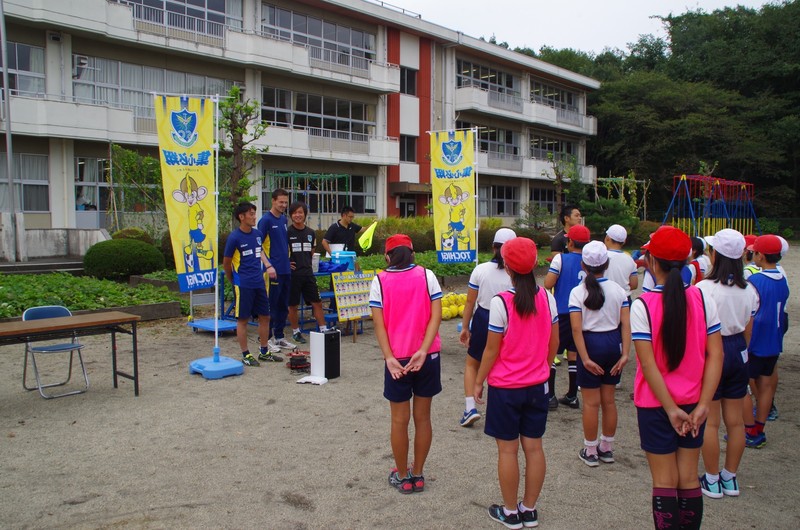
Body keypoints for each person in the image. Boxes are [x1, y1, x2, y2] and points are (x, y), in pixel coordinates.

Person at [630, 226, 723, 530]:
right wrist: (704, 405)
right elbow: (716, 356)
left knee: (664, 480)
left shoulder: (643, 305)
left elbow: (648, 364)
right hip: (694, 401)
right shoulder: (702, 298)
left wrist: (670, 409)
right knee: (687, 477)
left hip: (656, 405)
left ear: (652, 261)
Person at [473, 237, 559, 529]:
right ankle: (529, 509)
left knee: (507, 450)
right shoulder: (548, 297)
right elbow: (554, 341)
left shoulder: (501, 303)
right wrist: (543, 369)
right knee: (534, 448)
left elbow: (491, 350)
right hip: (537, 386)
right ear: (535, 264)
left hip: (505, 388)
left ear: (506, 266)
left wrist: (478, 381)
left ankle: (510, 512)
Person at [369, 234, 443, 494]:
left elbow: (379, 324)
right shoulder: (427, 276)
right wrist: (423, 350)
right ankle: (418, 473)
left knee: (399, 420)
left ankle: (402, 476)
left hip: (397, 359)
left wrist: (388, 357)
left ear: (387, 257)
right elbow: (436, 317)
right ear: (412, 254)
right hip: (428, 357)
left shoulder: (379, 280)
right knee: (423, 418)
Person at [696, 229, 758, 498]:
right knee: (735, 422)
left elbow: (697, 329)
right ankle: (730, 477)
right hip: (738, 349)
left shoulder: (703, 289)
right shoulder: (749, 290)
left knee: (710, 420)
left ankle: (711, 479)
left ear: (714, 255)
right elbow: (748, 329)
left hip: (712, 350)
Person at [568, 241, 630, 467]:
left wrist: (584, 358)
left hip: (590, 344)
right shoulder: (619, 290)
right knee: (609, 401)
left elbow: (576, 328)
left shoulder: (578, 292)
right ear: (607, 263)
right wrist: (625, 353)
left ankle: (591, 449)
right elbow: (626, 324)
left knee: (591, 403)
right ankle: (607, 448)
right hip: (613, 344)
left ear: (583, 265)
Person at [458, 228, 516, 427]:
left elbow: (469, 302)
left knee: (472, 363)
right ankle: (503, 410)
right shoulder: (517, 272)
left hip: (484, 317)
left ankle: (469, 408)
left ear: (493, 247)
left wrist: (465, 327)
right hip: (511, 320)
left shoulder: (480, 270)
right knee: (504, 363)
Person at [743, 234, 790, 448]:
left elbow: (750, 314)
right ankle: (758, 429)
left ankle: (747, 428)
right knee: (766, 386)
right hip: (773, 340)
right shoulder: (782, 278)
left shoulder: (755, 281)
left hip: (755, 342)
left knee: (744, 386)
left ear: (760, 255)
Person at [222, 202, 282, 366]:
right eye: (251, 214)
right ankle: (246, 354)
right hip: (243, 284)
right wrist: (233, 279)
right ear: (241, 217)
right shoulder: (234, 237)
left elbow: (259, 250)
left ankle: (264, 351)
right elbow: (226, 263)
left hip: (259, 282)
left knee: (265, 316)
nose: (254, 217)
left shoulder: (257, 234)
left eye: (255, 213)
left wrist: (268, 265)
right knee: (243, 320)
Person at [544, 224, 591, 409]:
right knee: (574, 354)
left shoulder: (560, 259)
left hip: (562, 312)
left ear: (569, 242)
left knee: (553, 351)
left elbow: (548, 283)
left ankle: (550, 396)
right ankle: (572, 395)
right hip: (583, 313)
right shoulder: (591, 262)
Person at [286, 201, 330, 344]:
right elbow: (282, 253)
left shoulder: (311, 233)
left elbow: (312, 253)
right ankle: (296, 332)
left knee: (317, 302)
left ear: (305, 214)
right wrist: (287, 263)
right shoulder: (287, 232)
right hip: (293, 275)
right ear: (291, 215)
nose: (298, 215)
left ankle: (323, 329)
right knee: (293, 305)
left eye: (300, 212)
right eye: (295, 212)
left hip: (308, 274)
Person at [258, 188, 295, 352]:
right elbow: (257, 245)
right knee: (271, 304)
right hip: (272, 270)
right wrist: (268, 265)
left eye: (286, 202)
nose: (283, 205)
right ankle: (265, 338)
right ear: (273, 201)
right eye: (281, 202)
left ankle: (279, 336)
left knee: (282, 304)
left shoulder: (284, 220)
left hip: (285, 269)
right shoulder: (265, 220)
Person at [604, 224, 638, 301]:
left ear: (607, 238)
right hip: (624, 299)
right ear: (624, 242)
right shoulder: (629, 259)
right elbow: (634, 284)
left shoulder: (601, 257)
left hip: (605, 298)